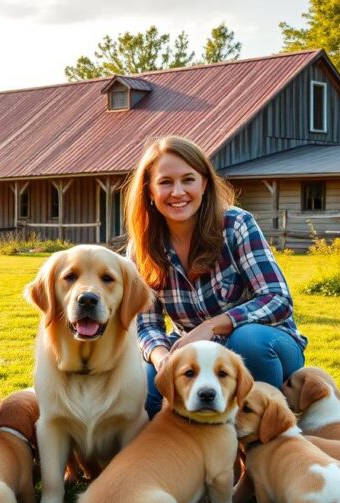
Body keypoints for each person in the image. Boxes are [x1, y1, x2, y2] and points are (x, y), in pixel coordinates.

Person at [124, 136, 307, 417]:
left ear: (204, 184)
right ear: (149, 190)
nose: (178, 192)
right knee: (146, 385)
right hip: (192, 354)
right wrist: (162, 359)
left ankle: (265, 434)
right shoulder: (143, 247)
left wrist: (212, 326)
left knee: (247, 342)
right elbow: (145, 325)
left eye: (188, 180)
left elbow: (277, 299)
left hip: (268, 343)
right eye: (165, 182)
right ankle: (180, 454)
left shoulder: (235, 225)